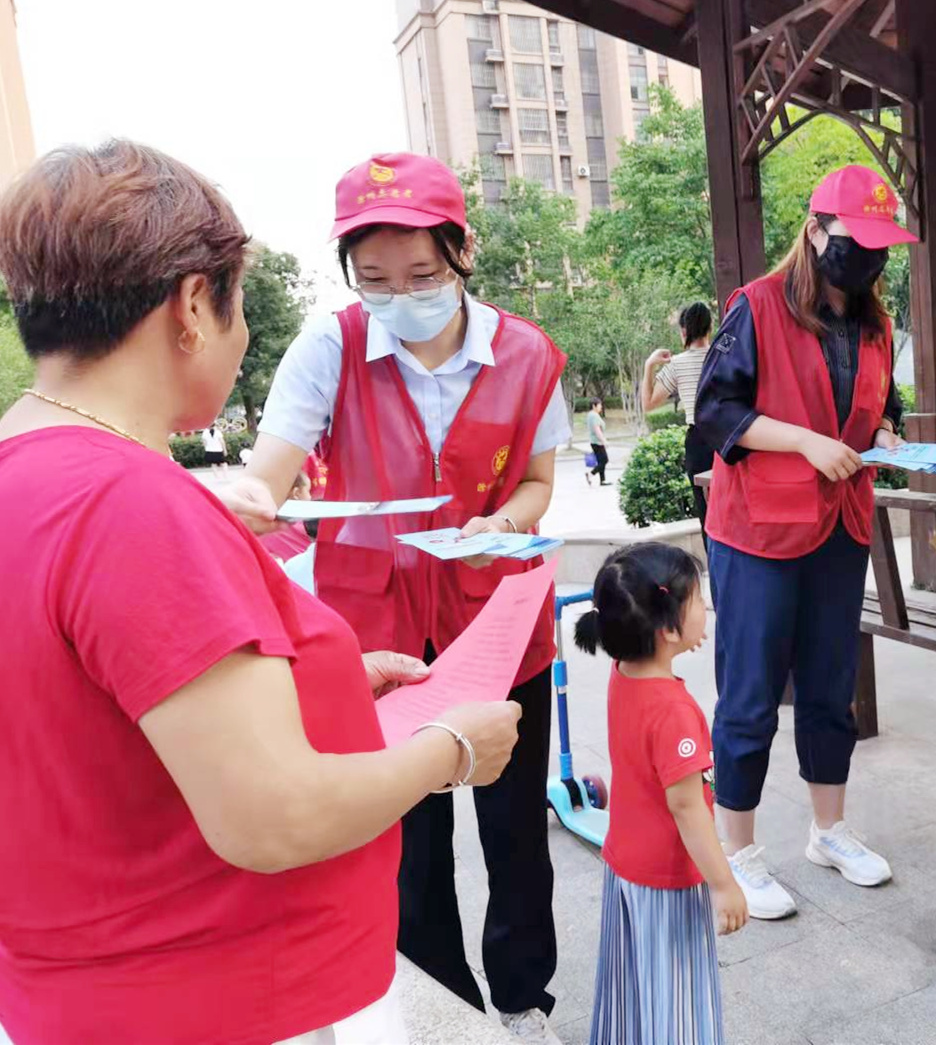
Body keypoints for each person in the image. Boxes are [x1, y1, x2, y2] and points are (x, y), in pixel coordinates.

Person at [0, 140, 521, 1045]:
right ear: (193, 307)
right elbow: (273, 816)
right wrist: (451, 749)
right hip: (220, 999)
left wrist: (327, 685)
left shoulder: (29, 472)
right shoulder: (133, 505)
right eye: (237, 307)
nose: (242, 340)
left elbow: (95, 722)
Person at [222, 152, 570, 1045]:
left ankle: (522, 998)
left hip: (498, 630)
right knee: (407, 841)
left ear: (462, 252)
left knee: (515, 830)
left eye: (421, 273)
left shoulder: (526, 353)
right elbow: (272, 469)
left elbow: (538, 480)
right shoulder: (330, 345)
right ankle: (444, 1005)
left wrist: (503, 523)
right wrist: (252, 498)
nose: (399, 295)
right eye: (373, 278)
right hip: (374, 642)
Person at [694, 165, 911, 920]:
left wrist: (888, 432)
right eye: (859, 241)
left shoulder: (878, 323)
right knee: (751, 693)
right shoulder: (755, 306)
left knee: (828, 685)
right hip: (759, 528)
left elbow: (885, 401)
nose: (872, 257)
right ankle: (738, 851)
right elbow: (715, 409)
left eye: (883, 246)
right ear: (816, 231)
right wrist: (805, 441)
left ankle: (829, 830)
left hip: (841, 523)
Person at [574, 543, 748, 1045]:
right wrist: (723, 883)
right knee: (676, 1000)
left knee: (631, 989)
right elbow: (688, 807)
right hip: (668, 878)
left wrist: (676, 636)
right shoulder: (674, 712)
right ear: (667, 629)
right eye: (697, 599)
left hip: (625, 862)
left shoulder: (623, 671)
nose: (705, 606)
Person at [642, 303, 718, 534]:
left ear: (684, 331)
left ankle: (713, 556)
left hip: (699, 442)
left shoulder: (677, 363)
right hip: (729, 435)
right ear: (710, 328)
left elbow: (648, 404)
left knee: (706, 512)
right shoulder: (723, 355)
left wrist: (649, 365)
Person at [587, 397, 610, 486]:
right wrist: (604, 441)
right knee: (604, 460)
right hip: (597, 442)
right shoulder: (594, 416)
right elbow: (597, 430)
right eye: (599, 405)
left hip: (594, 441)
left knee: (601, 461)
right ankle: (590, 474)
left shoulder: (590, 415)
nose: (601, 407)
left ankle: (603, 480)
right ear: (594, 406)